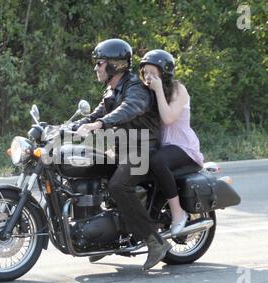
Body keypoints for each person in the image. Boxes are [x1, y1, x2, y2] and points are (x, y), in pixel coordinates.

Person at [73, 39, 171, 270]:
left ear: (115, 65)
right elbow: (94, 116)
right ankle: (101, 238)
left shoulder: (135, 87)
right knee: (88, 171)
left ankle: (154, 241)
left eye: (100, 63)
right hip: (121, 149)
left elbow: (129, 108)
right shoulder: (111, 89)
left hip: (142, 149)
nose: (96, 68)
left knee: (119, 186)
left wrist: (100, 125)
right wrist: (61, 128)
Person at [139, 49, 204, 236]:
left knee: (158, 161)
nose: (148, 77)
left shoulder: (178, 90)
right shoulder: (146, 92)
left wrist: (158, 91)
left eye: (153, 72)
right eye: (145, 72)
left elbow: (168, 118)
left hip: (183, 148)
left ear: (164, 73)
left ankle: (178, 213)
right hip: (164, 147)